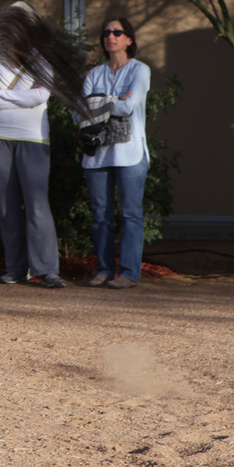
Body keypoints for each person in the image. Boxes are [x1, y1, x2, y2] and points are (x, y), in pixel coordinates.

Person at [0, 56, 66, 289]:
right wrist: (23, 100)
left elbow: (41, 96)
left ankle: (47, 270)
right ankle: (16, 268)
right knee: (7, 206)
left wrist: (2, 94)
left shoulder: (41, 62)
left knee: (37, 205)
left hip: (33, 138)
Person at [79, 17, 151, 289]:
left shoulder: (140, 70)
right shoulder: (94, 74)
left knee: (131, 214)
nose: (111, 36)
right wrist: (113, 102)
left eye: (117, 32)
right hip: (97, 154)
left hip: (130, 154)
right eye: (107, 32)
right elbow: (80, 110)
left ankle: (129, 273)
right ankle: (104, 269)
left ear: (129, 40)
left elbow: (129, 107)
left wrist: (100, 103)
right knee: (100, 215)